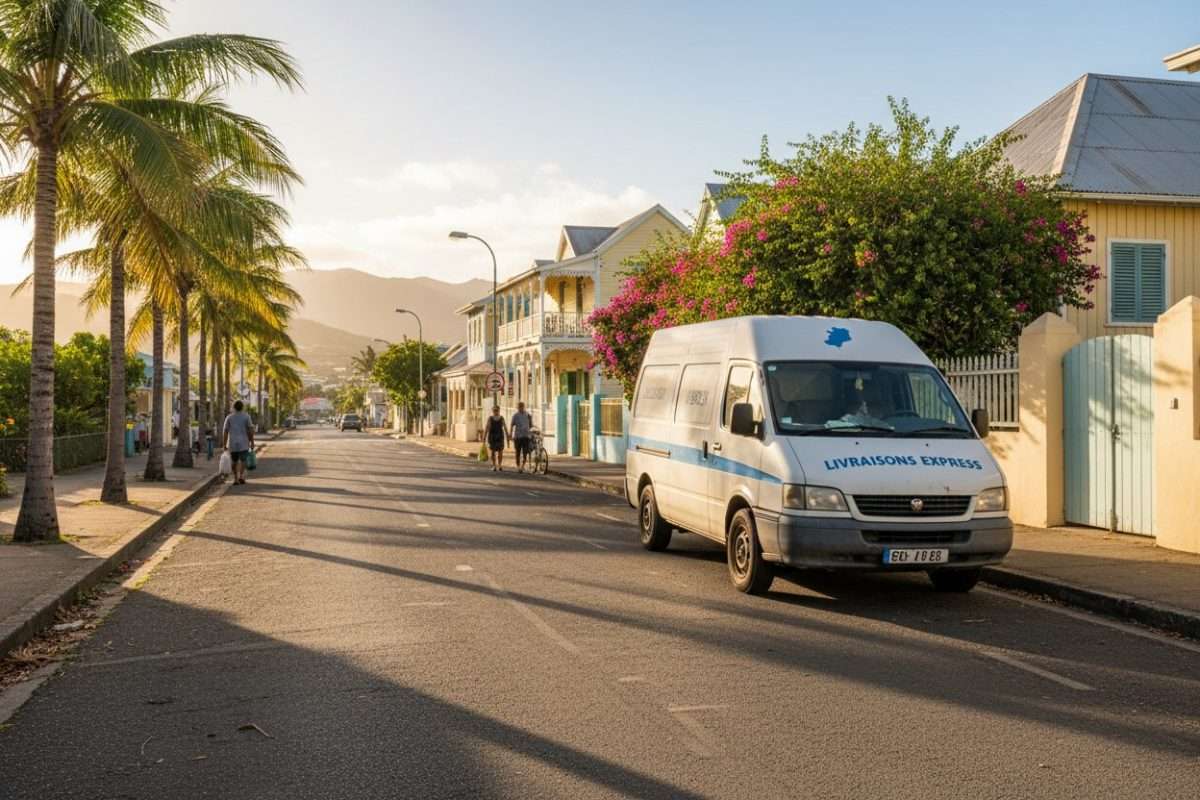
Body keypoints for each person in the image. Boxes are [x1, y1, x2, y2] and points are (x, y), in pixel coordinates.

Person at [222, 400, 256, 485]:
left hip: (233, 443)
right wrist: (252, 441)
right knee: (243, 460)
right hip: (244, 442)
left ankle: (235, 478)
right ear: (242, 407)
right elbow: (250, 430)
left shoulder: (229, 417)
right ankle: (241, 476)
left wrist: (224, 444)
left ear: (233, 407)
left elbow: (225, 431)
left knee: (234, 461)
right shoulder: (246, 416)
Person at [510, 401, 533, 473]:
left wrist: (530, 432)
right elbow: (512, 425)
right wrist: (510, 434)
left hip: (526, 436)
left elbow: (531, 425)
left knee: (525, 452)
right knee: (518, 452)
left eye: (522, 407)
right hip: (518, 437)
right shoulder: (515, 416)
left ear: (524, 407)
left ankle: (522, 466)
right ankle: (518, 466)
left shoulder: (528, 415)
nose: (521, 408)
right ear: (518, 408)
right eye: (519, 407)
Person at [483, 405, 508, 472]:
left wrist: (507, 436)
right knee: (493, 452)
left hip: (500, 436)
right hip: (492, 436)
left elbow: (505, 427)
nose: (495, 412)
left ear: (499, 411)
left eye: (497, 410)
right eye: (494, 410)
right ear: (493, 411)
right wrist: (484, 437)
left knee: (500, 452)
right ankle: (494, 465)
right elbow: (487, 428)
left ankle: (499, 465)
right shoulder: (490, 418)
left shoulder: (501, 418)